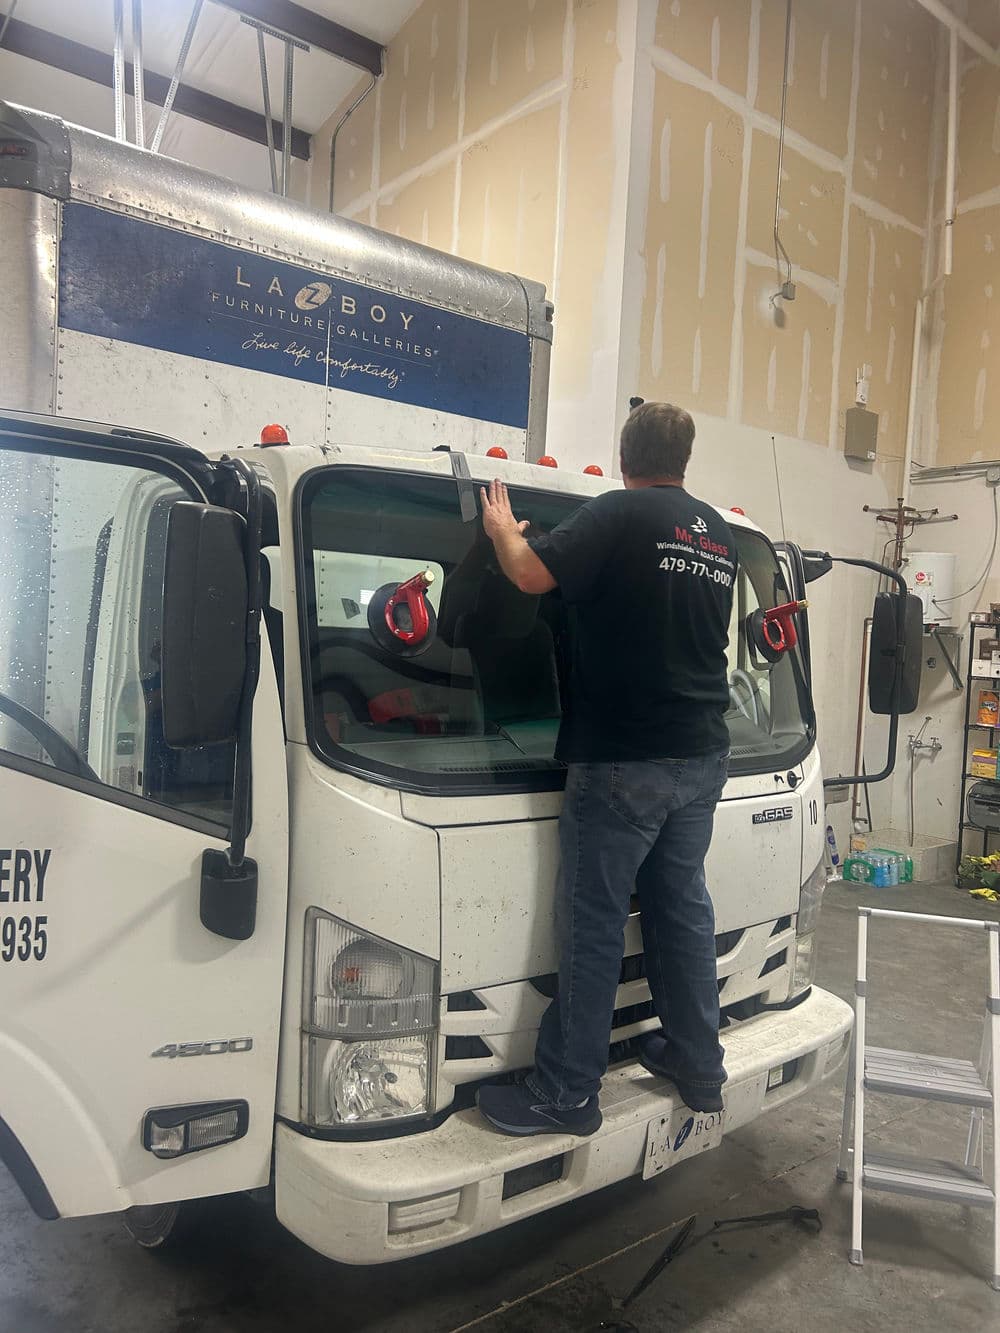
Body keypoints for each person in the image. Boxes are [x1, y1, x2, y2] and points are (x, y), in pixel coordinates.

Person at [475, 401, 737, 1137]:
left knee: (593, 924)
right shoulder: (715, 532)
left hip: (626, 756)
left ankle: (565, 1093)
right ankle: (698, 1064)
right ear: (683, 459)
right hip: (701, 754)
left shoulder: (619, 514)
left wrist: (501, 531)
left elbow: (528, 575)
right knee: (681, 909)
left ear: (625, 458)